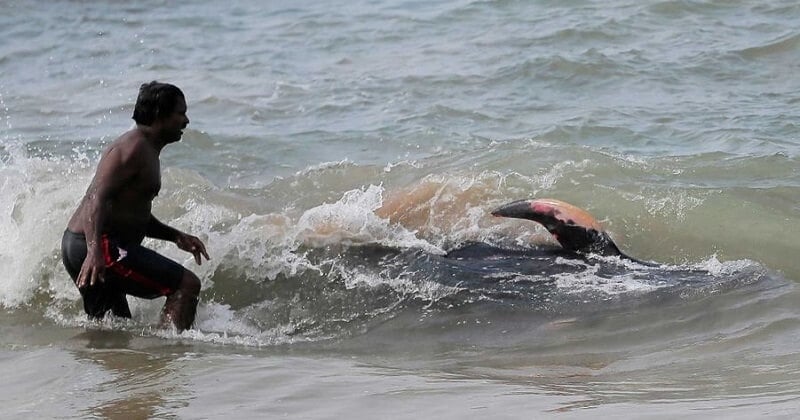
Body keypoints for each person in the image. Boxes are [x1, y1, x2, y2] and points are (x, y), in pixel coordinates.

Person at [61, 81, 209, 332]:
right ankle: (168, 352)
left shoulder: (146, 149)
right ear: (160, 115)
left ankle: (133, 366)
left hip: (88, 244)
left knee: (112, 332)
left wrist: (174, 236)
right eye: (181, 113)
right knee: (186, 285)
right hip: (99, 245)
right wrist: (95, 250)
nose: (186, 121)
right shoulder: (131, 149)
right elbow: (96, 199)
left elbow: (128, 212)